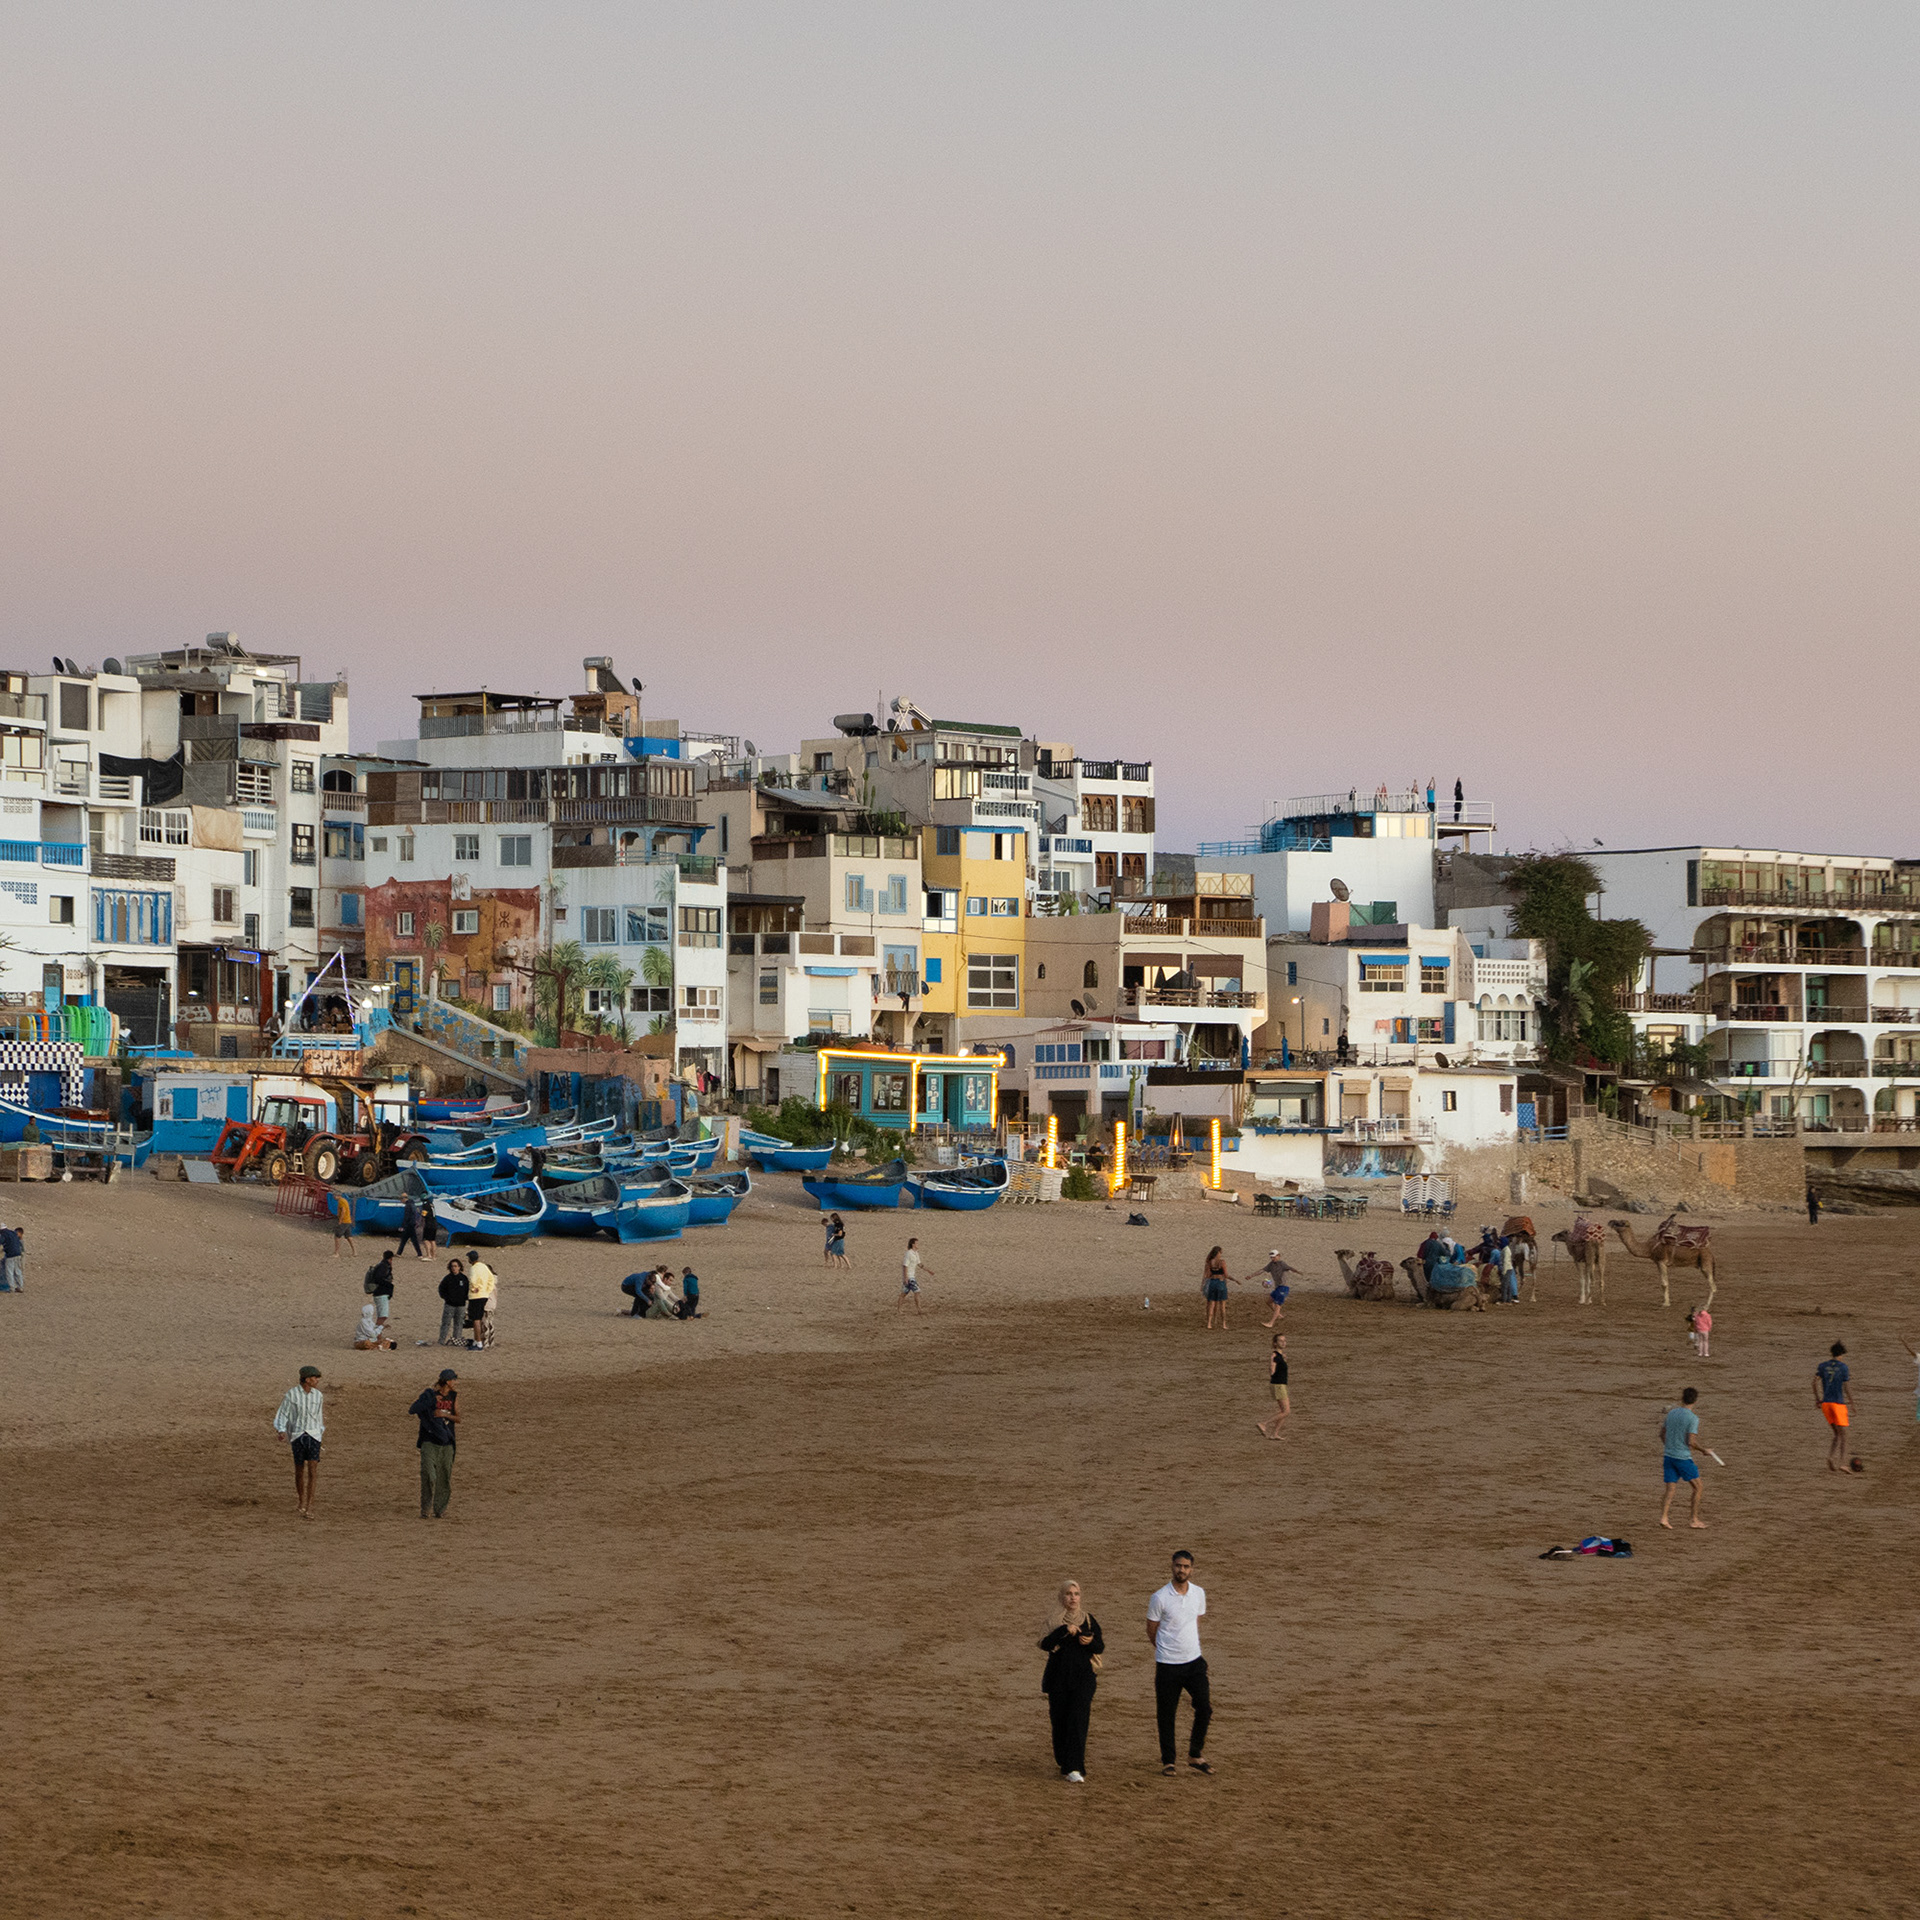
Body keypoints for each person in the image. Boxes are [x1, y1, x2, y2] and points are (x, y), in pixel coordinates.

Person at [1147, 1550, 1212, 1776]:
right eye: (1178, 1566)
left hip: (1194, 1661)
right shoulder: (1159, 1597)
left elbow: (1196, 1621)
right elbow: (1151, 1629)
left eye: (1185, 1566)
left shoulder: (1198, 1593)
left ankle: (1195, 1753)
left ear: (1191, 1569)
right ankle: (1169, 1761)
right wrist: (1167, 1650)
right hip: (1168, 1664)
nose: (1181, 1570)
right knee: (1166, 1714)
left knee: (1204, 1707)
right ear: (1172, 1567)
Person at [1038, 1579, 1103, 1782]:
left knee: (1078, 1720)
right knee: (1060, 1721)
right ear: (1062, 1597)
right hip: (1058, 1679)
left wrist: (1089, 1640)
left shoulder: (1088, 1620)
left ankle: (1075, 1767)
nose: (1073, 1598)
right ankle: (1065, 1763)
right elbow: (1045, 1644)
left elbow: (1099, 1647)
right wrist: (1064, 1630)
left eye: (1076, 1594)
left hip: (1083, 1679)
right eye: (1068, 1594)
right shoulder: (1054, 1621)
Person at [273, 1365, 326, 1520]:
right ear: (307, 1379)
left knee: (313, 1470)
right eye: (315, 1378)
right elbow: (283, 1413)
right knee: (299, 1470)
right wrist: (281, 1429)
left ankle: (310, 1505)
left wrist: (320, 1432)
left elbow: (319, 1416)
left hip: (314, 1435)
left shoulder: (318, 1396)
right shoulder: (292, 1395)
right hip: (297, 1435)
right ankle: (301, 1500)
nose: (317, 1381)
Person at [409, 1368, 460, 1519]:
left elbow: (458, 1418)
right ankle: (425, 1508)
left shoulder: (454, 1396)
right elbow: (413, 1409)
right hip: (429, 1441)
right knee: (428, 1475)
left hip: (447, 1441)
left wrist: (444, 1414)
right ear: (447, 1382)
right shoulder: (429, 1395)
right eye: (454, 1380)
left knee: (444, 1477)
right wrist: (432, 1402)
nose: (455, 1382)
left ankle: (440, 1509)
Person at [1660, 1385, 1708, 1529]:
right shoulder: (1693, 1418)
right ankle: (1694, 1520)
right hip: (1683, 1458)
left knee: (1670, 1489)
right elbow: (1691, 1442)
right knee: (1698, 1487)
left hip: (1669, 1456)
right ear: (1695, 1401)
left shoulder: (1671, 1413)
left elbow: (1661, 1434)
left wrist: (1670, 1446)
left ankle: (1664, 1518)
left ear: (1682, 1398)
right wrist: (1703, 1450)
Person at [1815, 1341, 1853, 1471]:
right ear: (1841, 1354)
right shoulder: (1843, 1368)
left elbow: (1814, 1382)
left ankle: (1830, 1457)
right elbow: (1846, 1387)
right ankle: (1843, 1463)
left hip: (1826, 1404)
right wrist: (1852, 1402)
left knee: (1836, 1434)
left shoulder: (1823, 1366)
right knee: (1844, 1435)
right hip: (1838, 1404)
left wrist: (1817, 1399)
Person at [1256, 1334, 1289, 1438]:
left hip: (1281, 1384)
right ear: (1275, 1343)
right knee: (1286, 1411)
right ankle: (1264, 1423)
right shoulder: (1275, 1356)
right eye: (1280, 1341)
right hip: (1278, 1385)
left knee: (1284, 1411)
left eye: (1284, 1340)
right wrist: (1274, 1373)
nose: (1283, 1342)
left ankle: (1274, 1434)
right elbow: (1272, 1370)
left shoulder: (1281, 1356)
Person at [1201, 1246, 1237, 1330]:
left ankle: (1209, 1323)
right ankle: (1223, 1324)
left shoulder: (1210, 1262)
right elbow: (1226, 1275)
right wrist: (1235, 1280)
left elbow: (1208, 1275)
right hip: (1220, 1283)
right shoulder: (1222, 1262)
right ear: (1218, 1253)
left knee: (1212, 1304)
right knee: (1222, 1305)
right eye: (1220, 1252)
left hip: (1212, 1283)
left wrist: (1203, 1285)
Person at [437, 1259, 470, 1346]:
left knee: (459, 1324)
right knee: (446, 1323)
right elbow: (441, 1290)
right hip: (450, 1305)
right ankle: (442, 1340)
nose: (453, 1268)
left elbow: (467, 1290)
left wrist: (465, 1298)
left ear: (459, 1267)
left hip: (461, 1305)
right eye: (452, 1266)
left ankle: (457, 1340)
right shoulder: (447, 1279)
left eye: (455, 1266)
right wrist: (447, 1298)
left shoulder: (464, 1278)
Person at [364, 1250, 396, 1341]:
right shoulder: (384, 1266)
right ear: (391, 1258)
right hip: (381, 1294)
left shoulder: (381, 1265)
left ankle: (378, 1335)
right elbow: (379, 1279)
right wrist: (389, 1285)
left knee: (381, 1315)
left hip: (379, 1294)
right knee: (383, 1316)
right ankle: (376, 1336)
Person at [1259, 1250, 1295, 1329]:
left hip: (1283, 1288)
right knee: (1268, 1302)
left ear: (1278, 1256)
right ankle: (1279, 1315)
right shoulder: (1272, 1265)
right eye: (1271, 1257)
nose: (1272, 1259)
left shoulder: (1282, 1264)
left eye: (1274, 1257)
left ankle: (1271, 1323)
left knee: (1277, 1305)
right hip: (1278, 1288)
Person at [466, 1257, 497, 1348]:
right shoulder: (491, 1282)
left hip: (487, 1304)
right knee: (488, 1324)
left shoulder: (487, 1282)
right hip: (491, 1304)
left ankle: (485, 1343)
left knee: (485, 1325)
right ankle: (489, 1342)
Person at [898, 1237, 930, 1312]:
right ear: (913, 1244)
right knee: (917, 1291)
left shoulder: (916, 1253)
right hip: (909, 1277)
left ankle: (899, 1309)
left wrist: (928, 1270)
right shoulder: (909, 1253)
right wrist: (906, 1277)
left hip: (911, 1276)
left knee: (903, 1294)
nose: (918, 1245)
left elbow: (919, 1264)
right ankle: (919, 1309)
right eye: (917, 1243)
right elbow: (905, 1265)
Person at [396, 1191, 427, 1260]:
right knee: (409, 1239)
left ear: (403, 1199)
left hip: (409, 1225)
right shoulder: (412, 1204)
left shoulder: (408, 1206)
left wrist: (403, 1225)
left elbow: (407, 1217)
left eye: (401, 1199)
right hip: (412, 1224)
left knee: (408, 1239)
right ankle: (400, 1253)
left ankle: (419, 1254)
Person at [0, 1219, 23, 1293]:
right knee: (17, 1271)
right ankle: (20, 1287)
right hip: (18, 1254)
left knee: (9, 1271)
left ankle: (11, 1288)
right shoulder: (13, 1233)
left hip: (10, 1255)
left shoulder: (3, 1235)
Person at [330, 1192, 355, 1259]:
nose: (334, 1197)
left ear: (338, 1196)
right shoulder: (344, 1200)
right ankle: (354, 1252)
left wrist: (340, 1221)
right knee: (349, 1237)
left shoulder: (341, 1201)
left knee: (337, 1236)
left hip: (344, 1221)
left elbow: (343, 1211)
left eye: (334, 1196)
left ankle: (336, 1253)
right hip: (348, 1221)